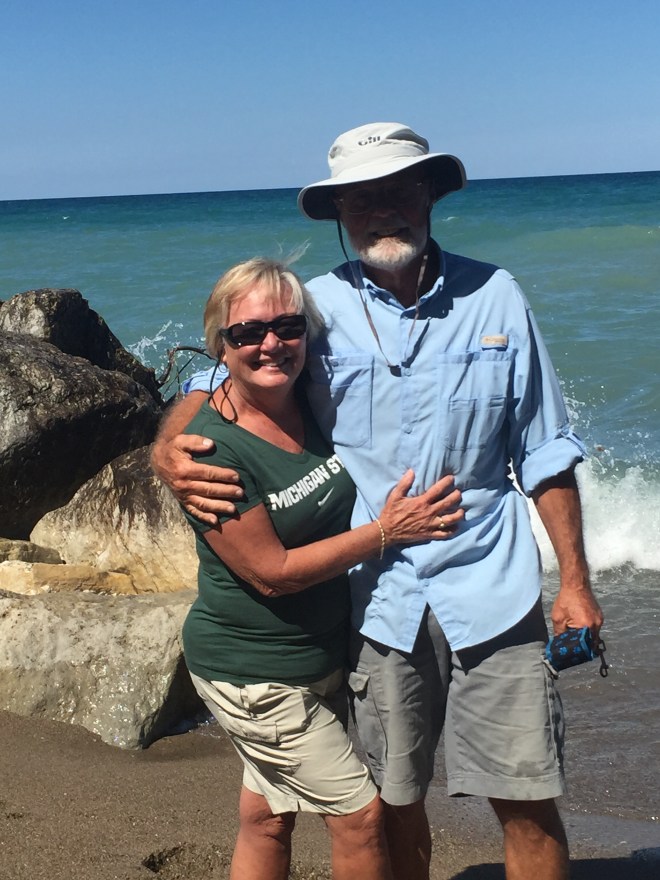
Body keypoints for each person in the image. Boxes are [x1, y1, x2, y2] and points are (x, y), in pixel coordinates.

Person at [152, 124, 604, 880]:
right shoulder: (312, 309)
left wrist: (577, 585)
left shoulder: (496, 295)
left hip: (492, 586)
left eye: (400, 190)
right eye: (362, 198)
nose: (383, 210)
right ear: (339, 213)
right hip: (374, 602)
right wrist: (167, 445)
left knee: (525, 796)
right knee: (393, 804)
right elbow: (229, 371)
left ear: (430, 195)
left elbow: (547, 450)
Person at [178, 257, 463, 880]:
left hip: (311, 660)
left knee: (267, 817)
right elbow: (271, 572)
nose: (270, 343)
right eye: (246, 333)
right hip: (253, 675)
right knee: (360, 819)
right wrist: (387, 532)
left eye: (287, 325)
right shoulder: (211, 452)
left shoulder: (305, 396)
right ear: (220, 346)